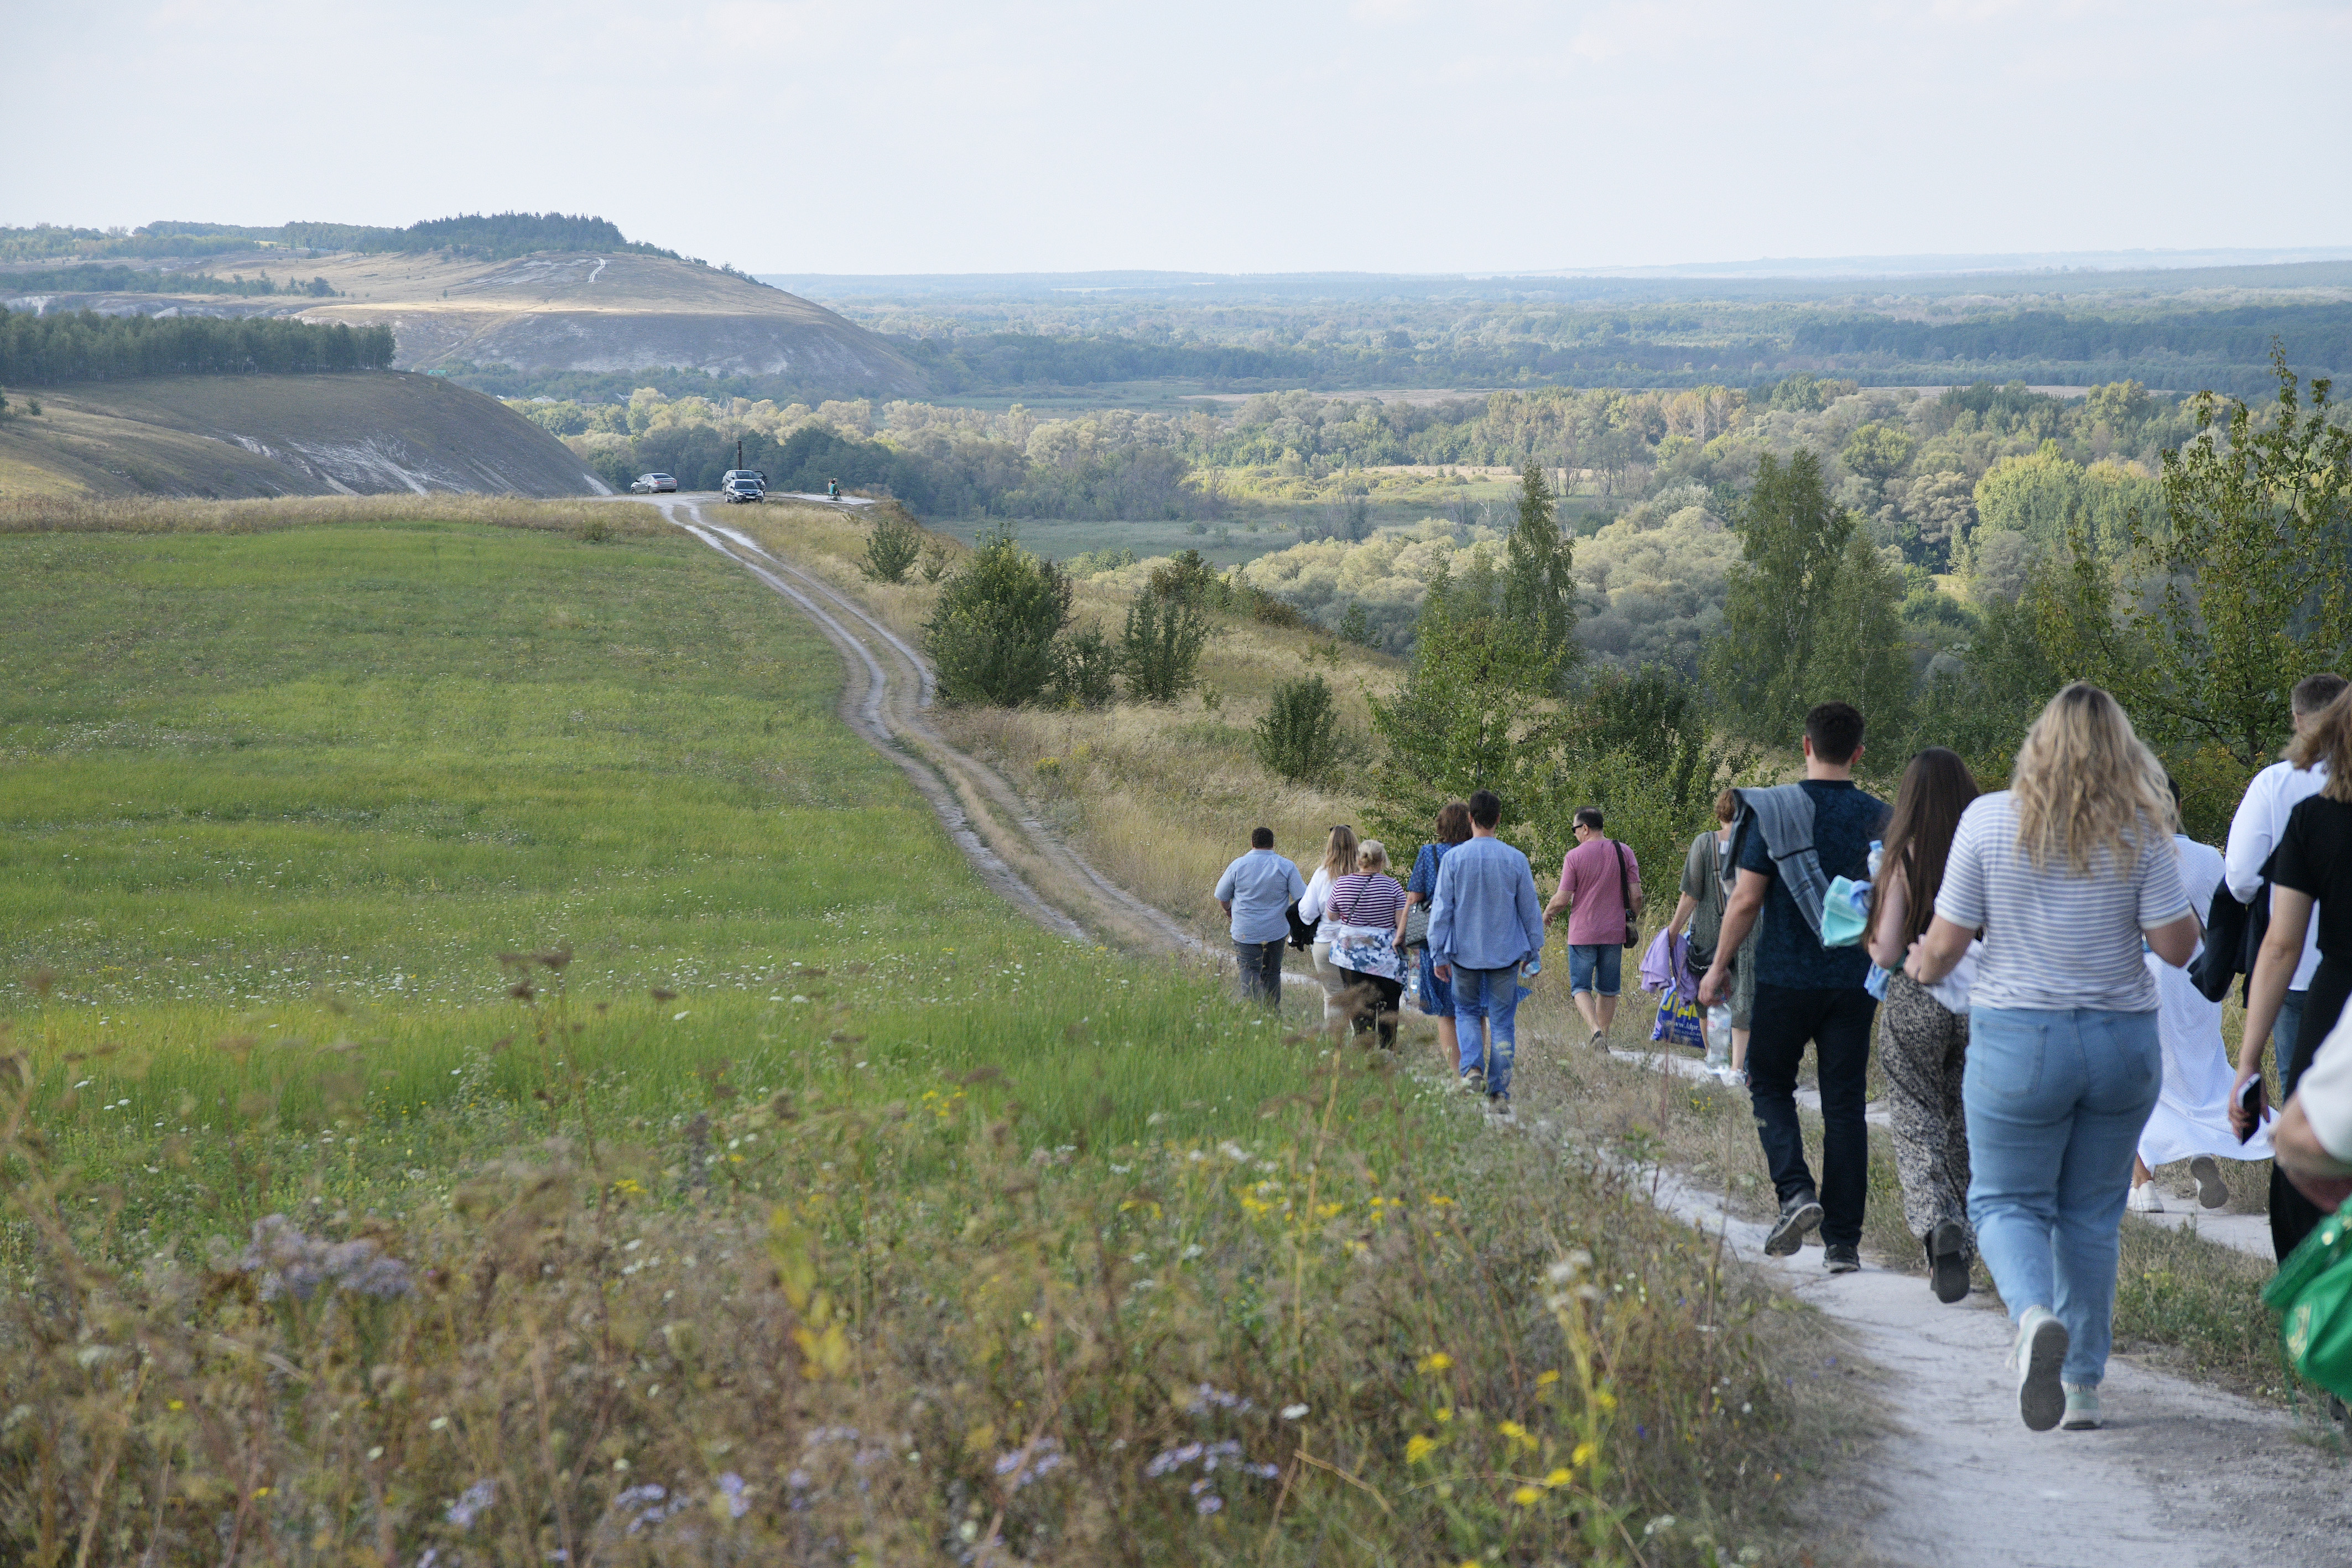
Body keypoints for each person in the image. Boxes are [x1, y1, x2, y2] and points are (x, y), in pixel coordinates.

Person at [1909, 683, 2198, 1433]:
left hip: (2018, 1039)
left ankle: (2033, 1313)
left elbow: (1944, 944)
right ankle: (2083, 1388)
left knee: (2005, 1200)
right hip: (2121, 1042)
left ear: (2037, 742)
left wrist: (1918, 967)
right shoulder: (2141, 826)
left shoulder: (1988, 819)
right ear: (2124, 749)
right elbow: (2177, 946)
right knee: (2092, 1215)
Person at [1700, 701, 1888, 1277]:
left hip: (1784, 977)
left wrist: (1717, 967)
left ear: (1804, 745)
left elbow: (1746, 898)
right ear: (1858, 752)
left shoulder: (1772, 810)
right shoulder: (1881, 818)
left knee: (1767, 1083)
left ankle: (1795, 1192)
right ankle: (1843, 1245)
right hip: (1854, 982)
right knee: (1844, 1105)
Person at [2232, 684, 2352, 1261]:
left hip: (2334, 992)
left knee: (2306, 1142)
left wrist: (2247, 1062)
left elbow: (2281, 945)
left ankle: (2315, 1290)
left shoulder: (2312, 819)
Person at [1864, 747, 1981, 1304]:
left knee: (1915, 1117)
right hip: (1982, 1000)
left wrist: (1862, 935)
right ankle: (1968, 1242)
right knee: (1966, 1123)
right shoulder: (1987, 850)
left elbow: (1885, 948)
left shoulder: (1900, 858)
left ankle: (1938, 1225)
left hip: (1916, 993)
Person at [2133, 775, 2271, 1212]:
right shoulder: (2208, 857)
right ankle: (2200, 1154)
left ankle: (2144, 1185)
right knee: (2201, 1071)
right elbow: (2224, 920)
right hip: (2199, 980)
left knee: (2141, 1080)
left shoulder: (2133, 857)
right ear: (2177, 806)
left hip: (2146, 974)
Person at [2223, 673, 2345, 1090]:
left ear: (2298, 719)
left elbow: (2239, 875)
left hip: (2297, 968)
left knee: (2303, 1089)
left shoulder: (2273, 785)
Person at [1428, 789, 1546, 1120]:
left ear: (1470, 819)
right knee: (1503, 1021)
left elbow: (1441, 912)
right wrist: (1533, 949)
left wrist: (1438, 953)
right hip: (1505, 955)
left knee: (1465, 1011)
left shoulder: (1453, 859)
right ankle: (1499, 1091)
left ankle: (1472, 1070)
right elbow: (1530, 910)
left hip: (1463, 953)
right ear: (1498, 819)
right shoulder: (1516, 859)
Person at [1666, 788, 1757, 1082]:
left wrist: (1673, 930)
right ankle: (1737, 1067)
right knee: (1744, 994)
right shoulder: (1755, 845)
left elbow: (1690, 894)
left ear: (1719, 811)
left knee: (1707, 995)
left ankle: (1712, 1059)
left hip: (1708, 931)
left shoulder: (1703, 844)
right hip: (1747, 932)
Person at [1544, 806, 1642, 1048]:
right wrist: (1631, 918)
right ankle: (1604, 1038)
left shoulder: (1574, 857)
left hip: (1582, 933)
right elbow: (1637, 896)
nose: (1575, 835)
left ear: (1585, 828)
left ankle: (1595, 1030)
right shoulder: (1624, 851)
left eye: (1575, 829)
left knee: (1580, 987)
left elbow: (1562, 898)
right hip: (1613, 932)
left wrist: (1546, 913)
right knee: (1608, 989)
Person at [1407, 801, 1475, 1076]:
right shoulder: (1476, 853)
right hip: (1474, 938)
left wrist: (1406, 937)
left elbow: (1415, 899)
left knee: (1445, 1012)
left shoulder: (1430, 853)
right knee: (1475, 1009)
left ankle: (1456, 1073)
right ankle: (1475, 1068)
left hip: (1437, 940)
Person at [1325, 841, 1411, 1046]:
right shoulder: (1393, 887)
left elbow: (1332, 915)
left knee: (1358, 1006)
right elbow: (1402, 924)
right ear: (1382, 861)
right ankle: (1387, 1050)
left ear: (1358, 859)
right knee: (1389, 1006)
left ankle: (1363, 1049)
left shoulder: (1342, 884)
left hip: (1351, 957)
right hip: (1386, 959)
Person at [1214, 826, 1305, 1007]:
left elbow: (1222, 896)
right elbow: (1302, 897)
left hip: (1246, 931)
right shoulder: (1286, 866)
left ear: (1252, 843)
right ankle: (1272, 1014)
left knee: (1249, 971)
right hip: (1275, 932)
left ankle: (1253, 1015)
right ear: (1273, 844)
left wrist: (1228, 911)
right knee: (1272, 973)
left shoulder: (1238, 865)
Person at [1298, 826, 1360, 1024]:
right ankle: (1359, 1044)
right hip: (1358, 942)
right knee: (1358, 996)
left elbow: (1307, 913)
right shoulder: (1363, 874)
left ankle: (1336, 1048)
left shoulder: (1322, 874)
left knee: (1333, 997)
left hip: (1326, 942)